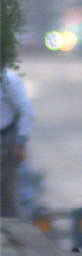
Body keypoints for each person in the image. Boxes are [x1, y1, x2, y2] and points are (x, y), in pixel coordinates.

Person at [1, 68, 35, 217]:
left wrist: (20, 142)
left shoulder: (8, 79)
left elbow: (26, 110)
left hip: (5, 143)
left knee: (7, 193)